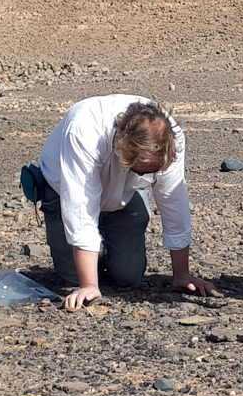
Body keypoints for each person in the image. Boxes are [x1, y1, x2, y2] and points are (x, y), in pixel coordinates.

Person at [38, 95, 212, 309]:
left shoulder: (171, 137)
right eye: (141, 169)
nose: (149, 173)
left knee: (128, 276)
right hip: (63, 187)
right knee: (72, 279)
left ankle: (103, 249)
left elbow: (174, 203)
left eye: (152, 171)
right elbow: (80, 209)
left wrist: (182, 274)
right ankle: (89, 261)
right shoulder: (84, 130)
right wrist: (89, 285)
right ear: (122, 150)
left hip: (125, 193)